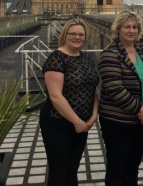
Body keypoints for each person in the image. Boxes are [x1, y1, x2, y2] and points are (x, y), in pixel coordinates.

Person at [98, 11, 143, 186]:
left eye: (135, 27)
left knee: (133, 165)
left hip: (141, 121)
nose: (131, 30)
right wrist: (142, 110)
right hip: (117, 121)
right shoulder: (110, 54)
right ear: (118, 29)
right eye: (127, 26)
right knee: (117, 168)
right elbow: (115, 89)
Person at [39, 18, 99, 186]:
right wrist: (77, 122)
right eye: (73, 34)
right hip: (58, 123)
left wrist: (94, 115)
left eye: (81, 34)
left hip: (83, 123)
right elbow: (55, 96)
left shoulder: (86, 58)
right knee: (59, 172)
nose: (77, 37)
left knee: (72, 169)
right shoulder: (56, 59)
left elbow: (93, 88)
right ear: (65, 35)